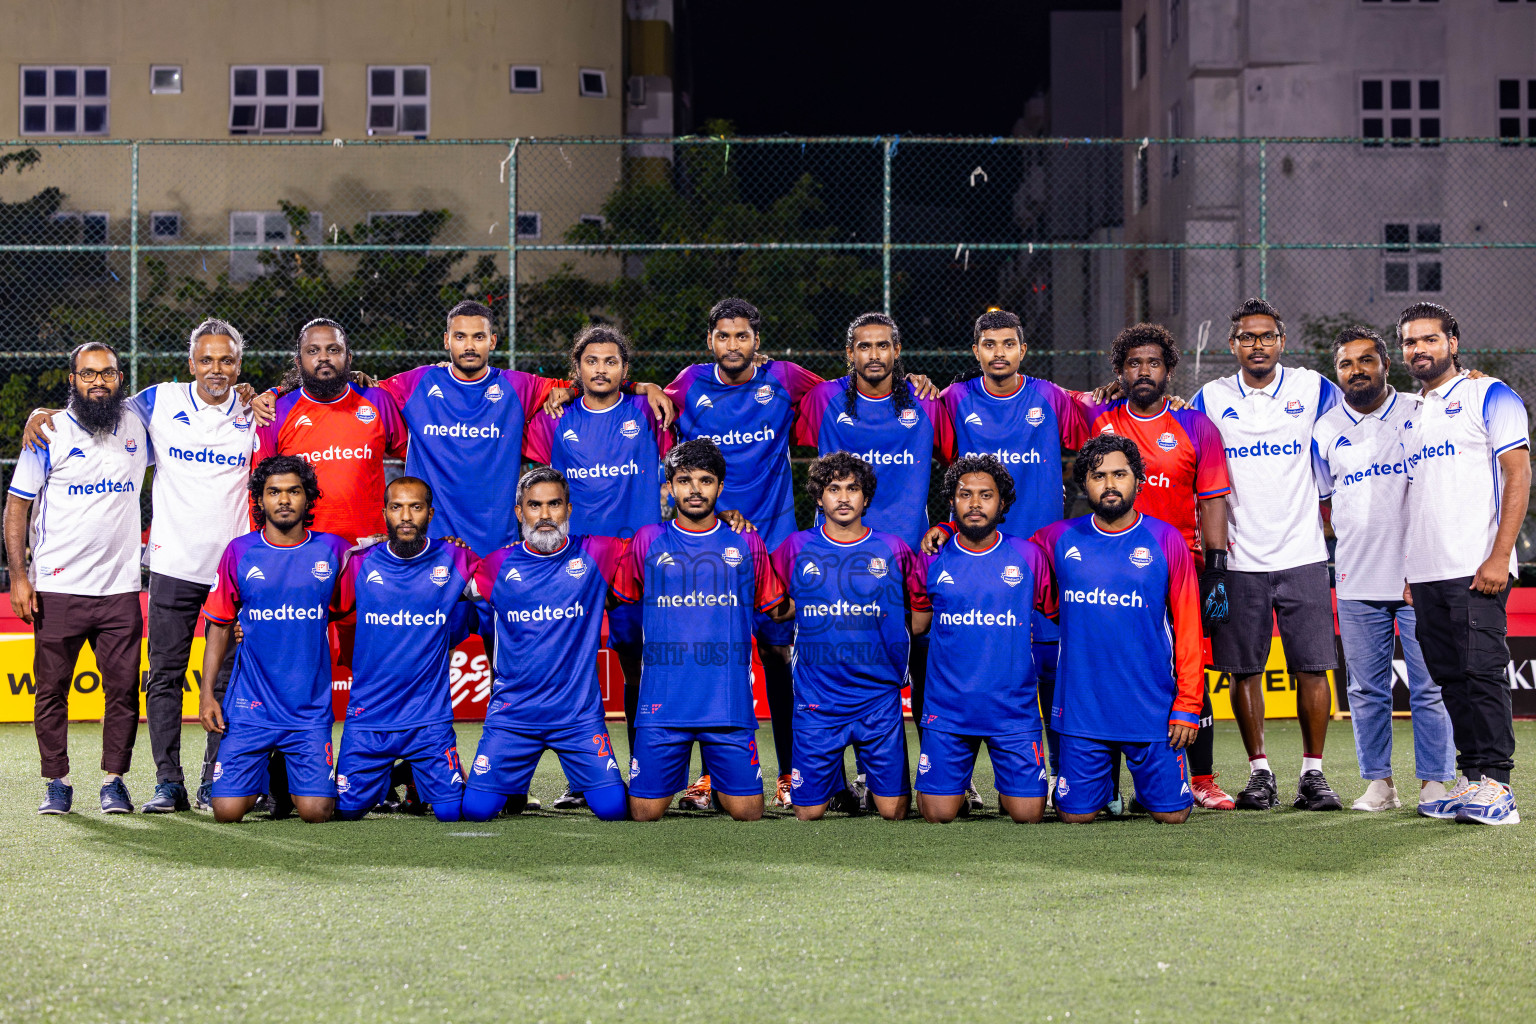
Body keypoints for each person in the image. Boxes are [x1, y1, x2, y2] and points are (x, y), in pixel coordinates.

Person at [19, 319, 259, 813]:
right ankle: (166, 782)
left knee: (227, 681)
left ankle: (215, 778)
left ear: (239, 365)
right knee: (164, 677)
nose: (217, 369)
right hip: (171, 565)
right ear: (190, 364)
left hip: (233, 575)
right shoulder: (158, 403)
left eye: (227, 360)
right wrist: (42, 414)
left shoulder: (259, 412)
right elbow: (89, 410)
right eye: (207, 359)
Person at [925, 309, 1090, 808]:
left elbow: (1103, 428)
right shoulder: (954, 400)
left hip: (1040, 562)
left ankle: (1066, 778)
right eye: (988, 344)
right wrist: (941, 524)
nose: (999, 352)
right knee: (966, 666)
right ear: (975, 353)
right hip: (973, 558)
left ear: (1023, 350)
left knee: (1052, 671)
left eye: (1008, 344)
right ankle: (957, 777)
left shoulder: (1052, 398)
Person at [1191, 298, 1345, 812]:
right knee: (1243, 670)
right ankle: (1260, 773)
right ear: (1232, 345)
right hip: (1236, 560)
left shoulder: (1313, 387)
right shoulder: (1209, 399)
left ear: (1282, 341)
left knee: (1313, 667)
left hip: (1302, 553)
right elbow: (1184, 453)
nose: (1257, 344)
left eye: (1266, 336)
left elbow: (1365, 411)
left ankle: (1313, 774)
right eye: (1246, 337)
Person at [1083, 323, 1235, 810]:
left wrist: (1216, 569)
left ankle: (1203, 778)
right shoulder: (1099, 421)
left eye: (1152, 362)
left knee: (1191, 665)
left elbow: (1212, 502)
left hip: (1181, 569)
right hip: (1113, 569)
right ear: (1120, 372)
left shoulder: (1196, 427)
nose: (1143, 371)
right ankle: (1105, 787)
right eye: (1133, 363)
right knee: (1111, 663)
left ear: (1169, 369)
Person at [524, 324, 673, 808]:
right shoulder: (553, 418)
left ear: (625, 370)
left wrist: (647, 387)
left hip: (636, 561)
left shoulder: (649, 411)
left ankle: (642, 770)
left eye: (612, 362)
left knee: (638, 670)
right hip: (575, 564)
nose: (601, 369)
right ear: (578, 369)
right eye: (592, 361)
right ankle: (583, 777)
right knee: (574, 672)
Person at [1311, 325, 1455, 812]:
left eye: (1366, 361)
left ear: (1385, 365)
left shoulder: (1420, 412)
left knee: (1430, 684)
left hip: (1421, 578)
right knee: (1366, 690)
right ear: (1338, 373)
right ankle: (1380, 785)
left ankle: (1435, 781)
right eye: (1346, 365)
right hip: (1356, 579)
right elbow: (1328, 504)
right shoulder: (1326, 430)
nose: (1357, 371)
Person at [613, 439, 793, 822]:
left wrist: (829, 596)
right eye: (684, 480)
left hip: (727, 705)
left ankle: (717, 779)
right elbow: (617, 597)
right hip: (663, 706)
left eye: (706, 480)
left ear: (720, 487)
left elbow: (776, 607)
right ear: (670, 487)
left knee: (748, 812)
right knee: (644, 813)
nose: (695, 489)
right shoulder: (647, 540)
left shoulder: (745, 538)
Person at [1399, 302, 1530, 825]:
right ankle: (1472, 778)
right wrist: (1411, 569)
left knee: (1482, 675)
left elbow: (1518, 477)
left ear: (1453, 342)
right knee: (1449, 679)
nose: (1419, 349)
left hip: (1479, 567)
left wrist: (1500, 556)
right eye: (1410, 342)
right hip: (1428, 572)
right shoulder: (1410, 411)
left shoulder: (1490, 394)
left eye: (1430, 339)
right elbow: (1417, 495)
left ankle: (1498, 785)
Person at [6, 342, 151, 815]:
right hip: (59, 585)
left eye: (107, 373)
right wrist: (20, 577)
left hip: (120, 587)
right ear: (72, 380)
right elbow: (17, 506)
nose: (98, 382)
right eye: (87, 374)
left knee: (124, 691)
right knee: (50, 690)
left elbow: (194, 399)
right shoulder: (48, 432)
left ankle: (114, 781)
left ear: (119, 378)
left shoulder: (139, 422)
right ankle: (57, 782)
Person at [1032, 435, 1202, 824]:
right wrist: (946, 526)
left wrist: (1189, 705)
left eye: (1119, 474)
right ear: (1084, 484)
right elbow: (1004, 555)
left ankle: (1141, 785)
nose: (1109, 484)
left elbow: (1189, 627)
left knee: (1172, 817)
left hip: (1151, 710)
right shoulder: (1056, 538)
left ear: (1138, 481)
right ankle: (1105, 788)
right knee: (1076, 817)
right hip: (1083, 712)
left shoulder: (1166, 540)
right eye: (1098, 476)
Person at [459, 467, 631, 822]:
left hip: (578, 718)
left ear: (569, 509)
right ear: (520, 512)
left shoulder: (600, 552)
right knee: (476, 811)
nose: (545, 515)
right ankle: (483, 783)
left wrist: (721, 519)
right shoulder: (494, 566)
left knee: (613, 809)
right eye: (534, 506)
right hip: (514, 716)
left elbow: (658, 543)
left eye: (554, 504)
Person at [771, 452, 930, 821]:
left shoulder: (894, 549)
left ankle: (870, 787)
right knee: (808, 813)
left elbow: (920, 619)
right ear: (819, 496)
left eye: (853, 489)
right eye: (833, 489)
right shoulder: (795, 547)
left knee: (894, 812)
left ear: (866, 497)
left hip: (878, 699)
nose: (843, 498)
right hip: (818, 700)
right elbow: (774, 604)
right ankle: (837, 787)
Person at [199, 455, 350, 824]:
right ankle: (269, 775)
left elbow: (347, 610)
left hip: (307, 710)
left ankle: (286, 775)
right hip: (252, 708)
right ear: (260, 499)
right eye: (274, 492)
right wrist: (206, 695)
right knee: (227, 812)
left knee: (316, 812)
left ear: (307, 497)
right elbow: (219, 626)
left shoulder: (335, 551)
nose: (284, 500)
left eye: (293, 491)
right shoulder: (239, 551)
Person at [915, 454, 1054, 825]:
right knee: (937, 815)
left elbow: (1059, 616)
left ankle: (1010, 787)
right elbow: (914, 625)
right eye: (965, 494)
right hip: (949, 711)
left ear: (1003, 502)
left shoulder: (1029, 556)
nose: (975, 504)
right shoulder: (931, 556)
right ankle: (951, 787)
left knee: (1027, 815)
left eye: (986, 495)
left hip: (1013, 712)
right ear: (952, 501)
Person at [330, 477, 478, 823]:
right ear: (384, 513)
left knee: (454, 812)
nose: (406, 516)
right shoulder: (358, 562)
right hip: (369, 719)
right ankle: (396, 774)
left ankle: (414, 772)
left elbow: (507, 597)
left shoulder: (458, 558)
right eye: (397, 507)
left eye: (416, 507)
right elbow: (310, 608)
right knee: (339, 813)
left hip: (428, 721)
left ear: (430, 513)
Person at [253, 318, 409, 544]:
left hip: (372, 545)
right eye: (313, 350)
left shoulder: (377, 399)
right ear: (298, 362)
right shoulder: (274, 412)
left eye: (333, 349)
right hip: (304, 548)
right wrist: (263, 547)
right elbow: (258, 489)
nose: (323, 357)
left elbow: (416, 461)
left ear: (349, 358)